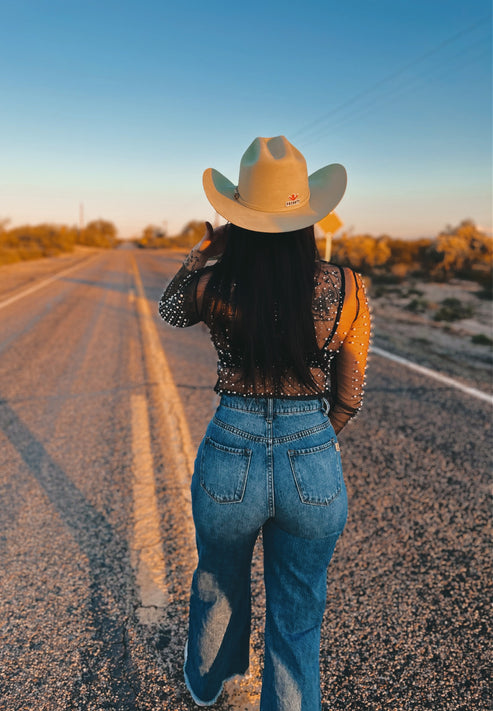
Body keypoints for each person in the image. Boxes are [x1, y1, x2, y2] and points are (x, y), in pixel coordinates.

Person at [158, 136, 370, 710]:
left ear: (239, 217)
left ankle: (208, 683)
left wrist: (203, 248)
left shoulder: (218, 284)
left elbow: (171, 308)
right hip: (313, 458)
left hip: (230, 450)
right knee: (299, 612)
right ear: (307, 217)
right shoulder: (345, 287)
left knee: (217, 582)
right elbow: (349, 395)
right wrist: (314, 439)